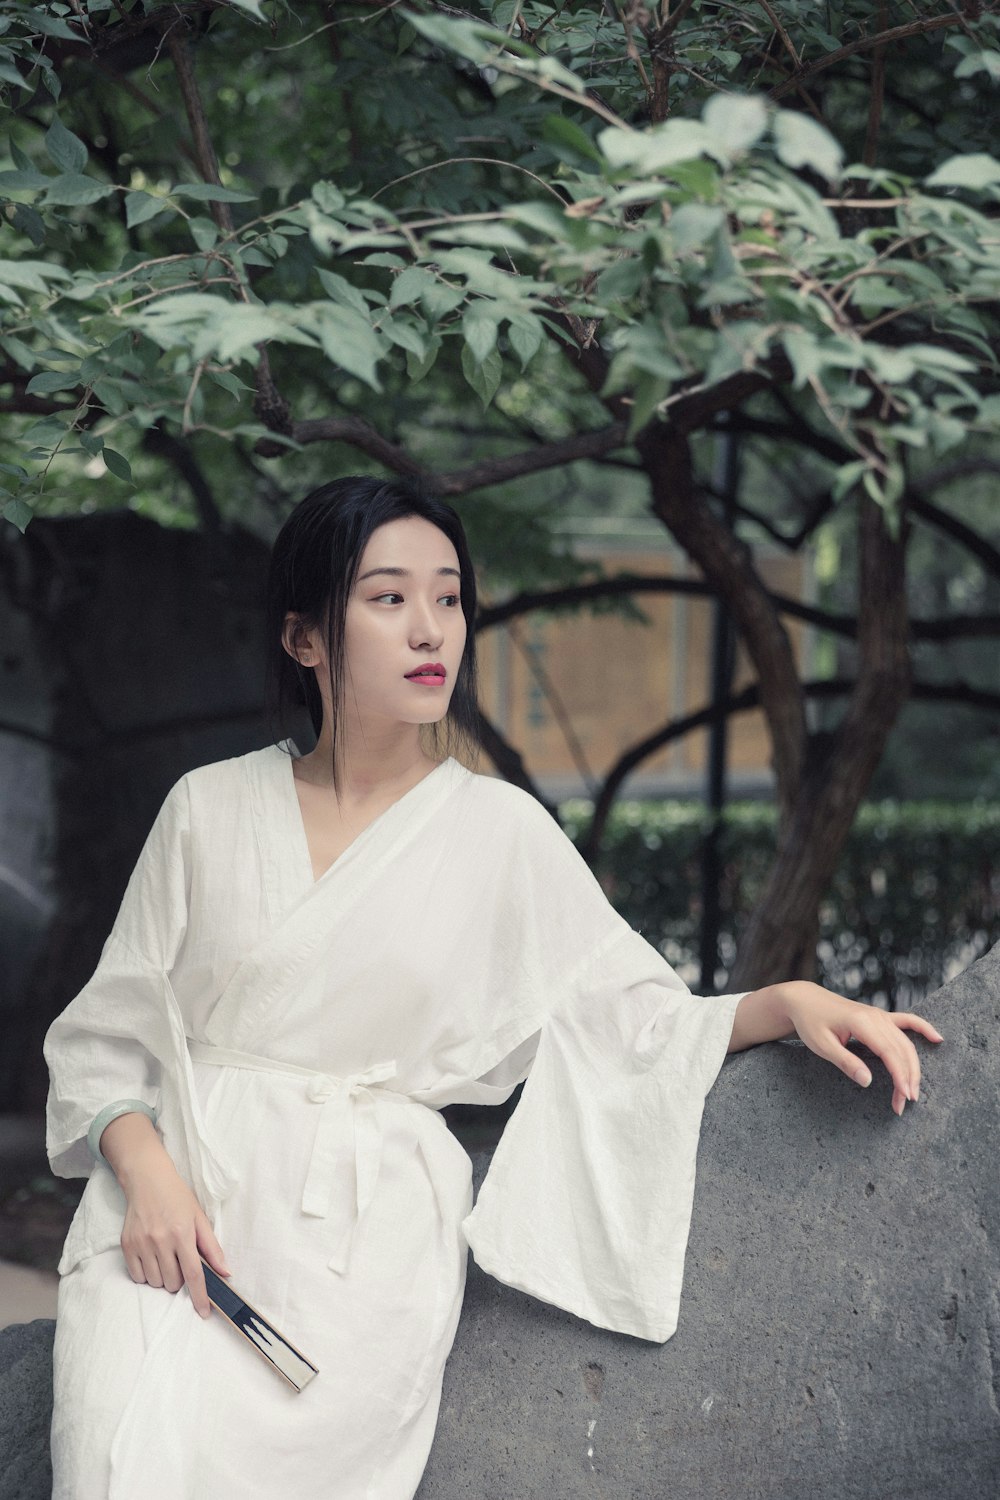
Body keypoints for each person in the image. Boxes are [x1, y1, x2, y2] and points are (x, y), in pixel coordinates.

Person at [44, 475, 942, 1499]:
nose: (430, 628)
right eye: (387, 599)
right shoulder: (206, 809)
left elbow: (628, 1019)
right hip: (170, 1214)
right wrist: (148, 1178)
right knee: (116, 1466)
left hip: (360, 1247)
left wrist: (785, 1002)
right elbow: (105, 1037)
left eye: (449, 597)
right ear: (304, 640)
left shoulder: (500, 835)